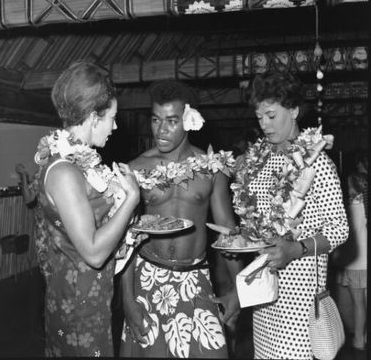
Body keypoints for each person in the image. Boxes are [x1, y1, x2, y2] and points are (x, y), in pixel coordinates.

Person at [220, 71, 349, 359]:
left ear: (293, 110)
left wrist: (296, 249)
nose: (263, 124)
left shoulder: (318, 163)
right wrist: (241, 239)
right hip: (265, 292)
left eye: (270, 115)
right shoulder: (257, 161)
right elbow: (256, 220)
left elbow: (340, 229)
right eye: (259, 117)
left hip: (301, 293)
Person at [120, 79, 242, 358]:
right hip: (147, 279)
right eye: (155, 119)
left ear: (189, 120)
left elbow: (228, 233)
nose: (161, 130)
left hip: (195, 279)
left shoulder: (213, 169)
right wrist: (127, 299)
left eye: (171, 121)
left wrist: (238, 289)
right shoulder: (136, 169)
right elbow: (125, 239)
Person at [33, 61, 145, 357]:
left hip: (90, 300)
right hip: (76, 309)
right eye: (112, 117)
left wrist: (127, 231)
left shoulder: (78, 163)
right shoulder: (65, 172)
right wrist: (131, 199)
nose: (116, 126)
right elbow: (94, 252)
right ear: (94, 117)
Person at [335, 150, 367, 351]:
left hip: (356, 264)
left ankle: (358, 339)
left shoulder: (348, 209)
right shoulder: (364, 206)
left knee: (357, 304)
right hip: (365, 261)